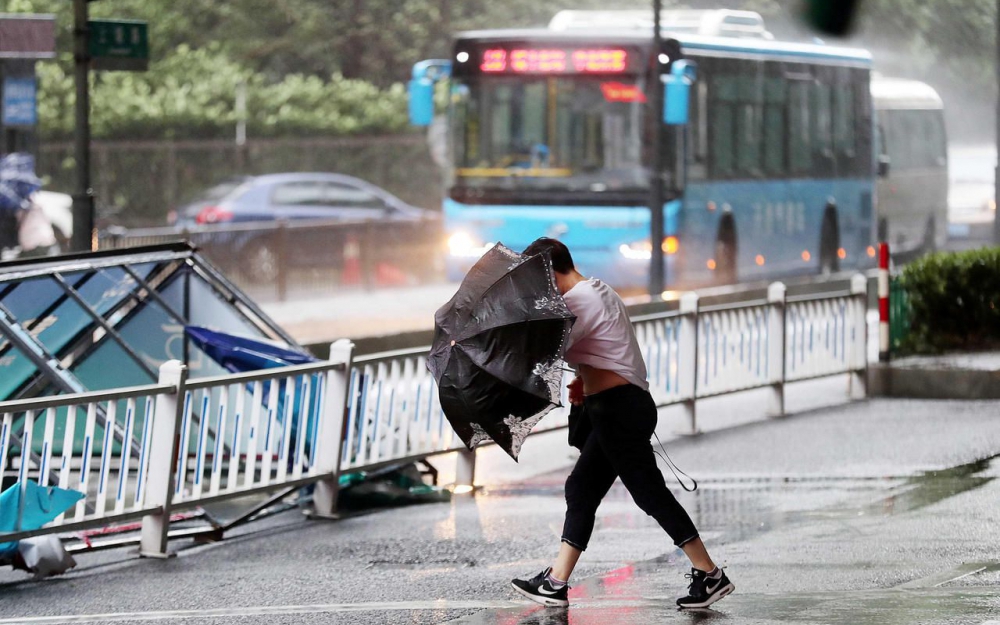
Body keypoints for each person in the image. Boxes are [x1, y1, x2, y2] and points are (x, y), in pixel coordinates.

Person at [510, 237, 734, 610]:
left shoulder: (580, 300)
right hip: (616, 407)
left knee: (649, 494)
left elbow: (544, 350)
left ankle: (710, 574)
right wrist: (585, 378)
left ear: (550, 270)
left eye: (537, 278)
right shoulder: (597, 289)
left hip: (620, 410)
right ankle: (555, 582)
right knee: (581, 488)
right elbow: (605, 348)